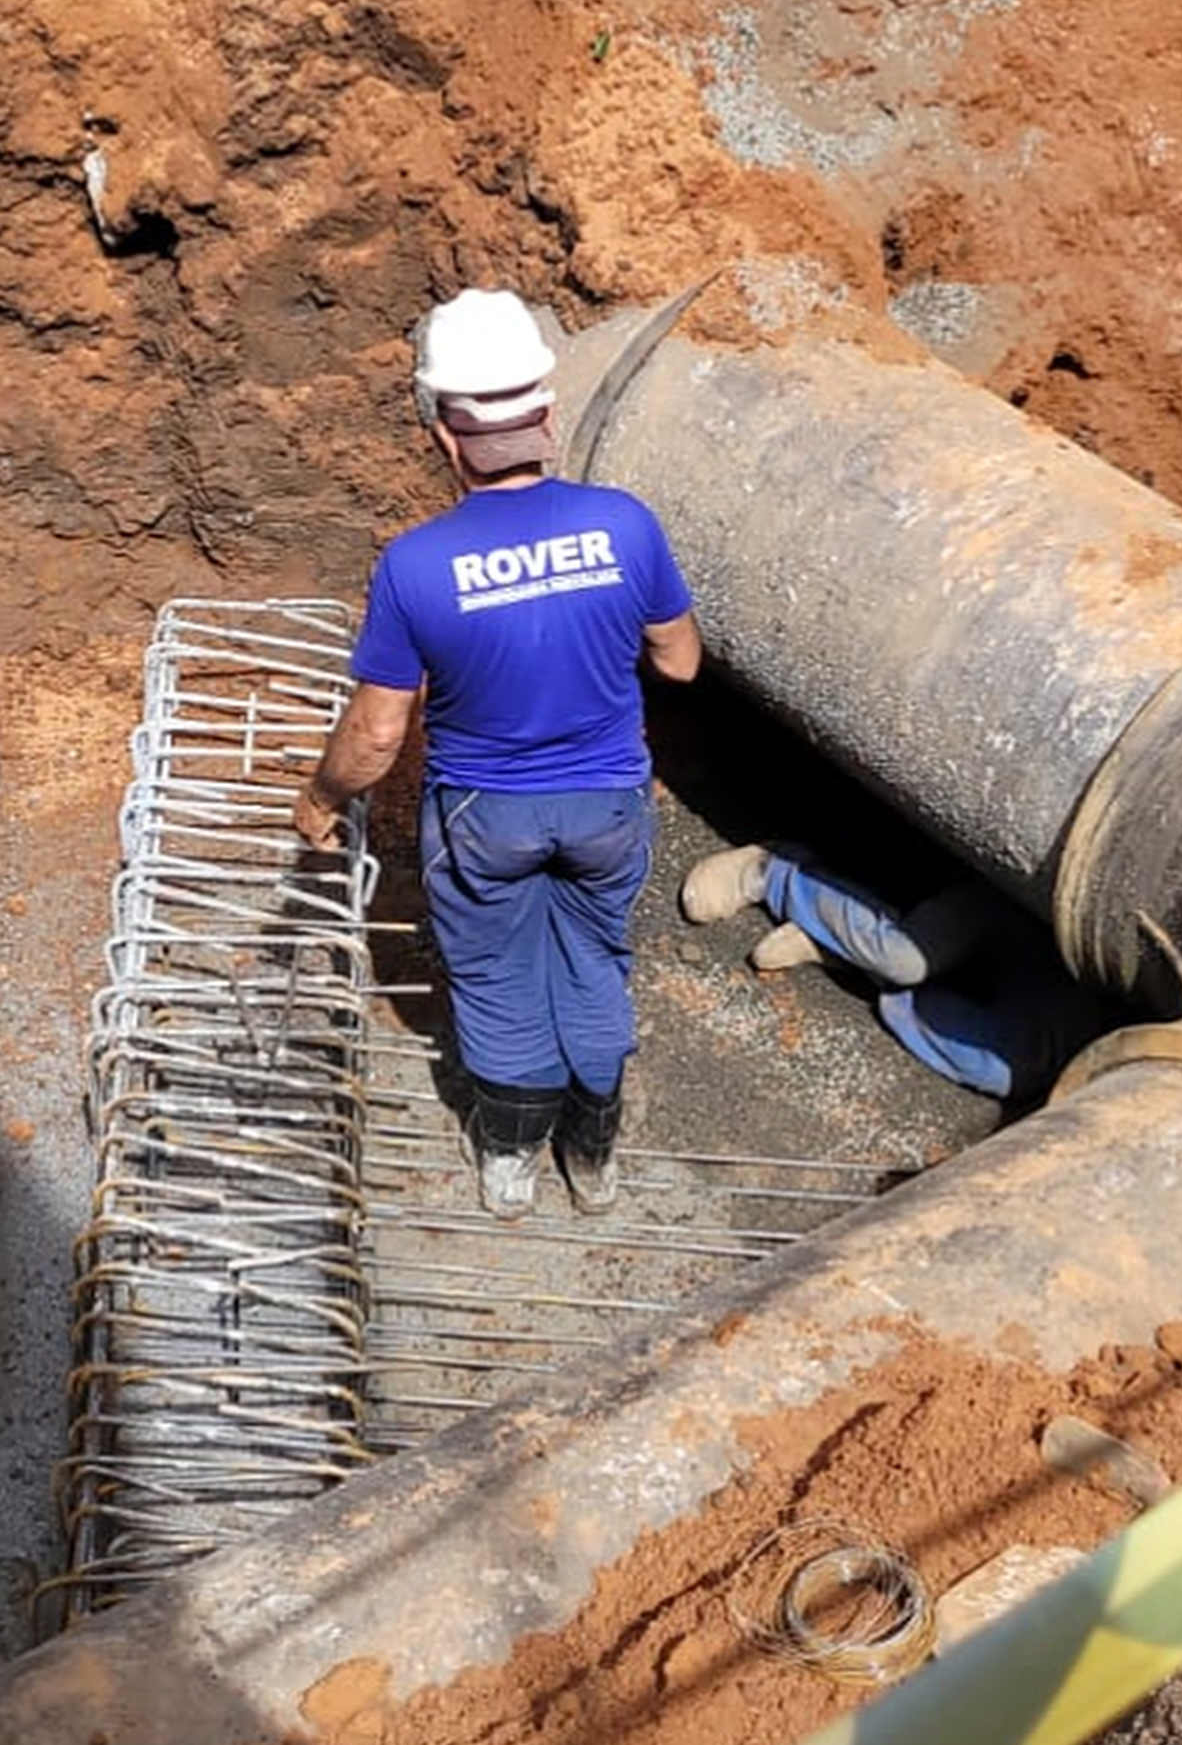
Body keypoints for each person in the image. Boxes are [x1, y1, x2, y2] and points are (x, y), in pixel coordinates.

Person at [293, 289, 703, 1220]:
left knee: (496, 978)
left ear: (442, 429)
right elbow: (678, 662)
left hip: (486, 813)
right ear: (548, 414)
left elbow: (377, 734)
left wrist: (317, 799)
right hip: (607, 802)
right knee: (594, 960)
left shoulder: (415, 564)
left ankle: (512, 1160)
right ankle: (592, 1161)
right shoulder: (626, 524)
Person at [679, 845, 1109, 1106]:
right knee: (903, 957)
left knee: (1012, 1071)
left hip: (1086, 972)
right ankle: (770, 872)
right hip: (1029, 893)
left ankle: (846, 948)